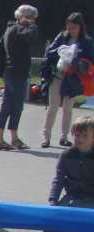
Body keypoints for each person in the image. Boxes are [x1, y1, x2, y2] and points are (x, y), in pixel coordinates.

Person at [42, 13, 94, 148]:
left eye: (74, 28)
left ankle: (64, 137)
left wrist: (77, 60)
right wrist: (60, 50)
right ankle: (46, 137)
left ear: (80, 27)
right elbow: (50, 52)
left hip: (73, 78)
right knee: (52, 107)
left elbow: (90, 60)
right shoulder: (62, 37)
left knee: (67, 108)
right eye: (69, 27)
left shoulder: (86, 41)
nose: (71, 30)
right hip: (58, 75)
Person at [0, 5, 40, 151]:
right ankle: (12, 138)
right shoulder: (18, 30)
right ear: (24, 17)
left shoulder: (11, 29)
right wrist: (32, 25)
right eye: (32, 18)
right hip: (16, 74)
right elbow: (32, 37)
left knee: (7, 105)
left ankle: (1, 139)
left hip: (10, 73)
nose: (33, 21)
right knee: (16, 106)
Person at [49, 115, 94, 207]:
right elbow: (59, 178)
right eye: (77, 135)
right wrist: (53, 199)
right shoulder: (66, 155)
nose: (80, 139)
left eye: (85, 136)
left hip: (92, 197)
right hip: (71, 197)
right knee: (58, 217)